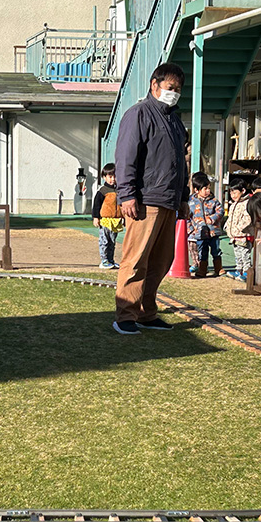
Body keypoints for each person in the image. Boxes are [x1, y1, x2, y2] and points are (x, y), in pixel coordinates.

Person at [112, 62, 190, 335]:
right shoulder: (138, 115)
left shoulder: (175, 121)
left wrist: (183, 197)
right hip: (144, 200)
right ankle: (125, 314)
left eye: (178, 89)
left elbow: (182, 162)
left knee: (160, 261)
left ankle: (146, 312)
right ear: (154, 85)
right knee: (136, 259)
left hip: (169, 200)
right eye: (170, 87)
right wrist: (127, 195)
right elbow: (125, 158)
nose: (174, 93)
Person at [187, 173, 225, 277]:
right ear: (196, 190)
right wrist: (190, 230)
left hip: (213, 232)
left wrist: (212, 219)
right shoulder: (190, 202)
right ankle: (202, 270)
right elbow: (187, 217)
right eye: (205, 189)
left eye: (209, 188)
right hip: (199, 233)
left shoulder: (214, 201)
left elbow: (220, 211)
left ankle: (219, 268)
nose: (208, 191)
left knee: (216, 251)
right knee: (202, 252)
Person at [91, 163, 123, 269]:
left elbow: (122, 205)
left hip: (116, 221)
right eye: (110, 176)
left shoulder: (120, 191)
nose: (113, 179)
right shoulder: (102, 191)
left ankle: (111, 260)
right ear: (104, 177)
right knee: (104, 240)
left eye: (115, 176)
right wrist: (96, 217)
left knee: (112, 242)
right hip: (105, 220)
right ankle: (104, 260)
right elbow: (96, 205)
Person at [225, 180, 253, 281]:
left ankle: (247, 272)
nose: (232, 195)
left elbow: (247, 219)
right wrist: (228, 227)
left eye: (235, 192)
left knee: (245, 255)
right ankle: (239, 270)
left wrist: (238, 228)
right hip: (234, 236)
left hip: (243, 236)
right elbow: (230, 218)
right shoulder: (233, 204)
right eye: (231, 193)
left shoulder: (247, 204)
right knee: (237, 254)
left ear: (243, 191)